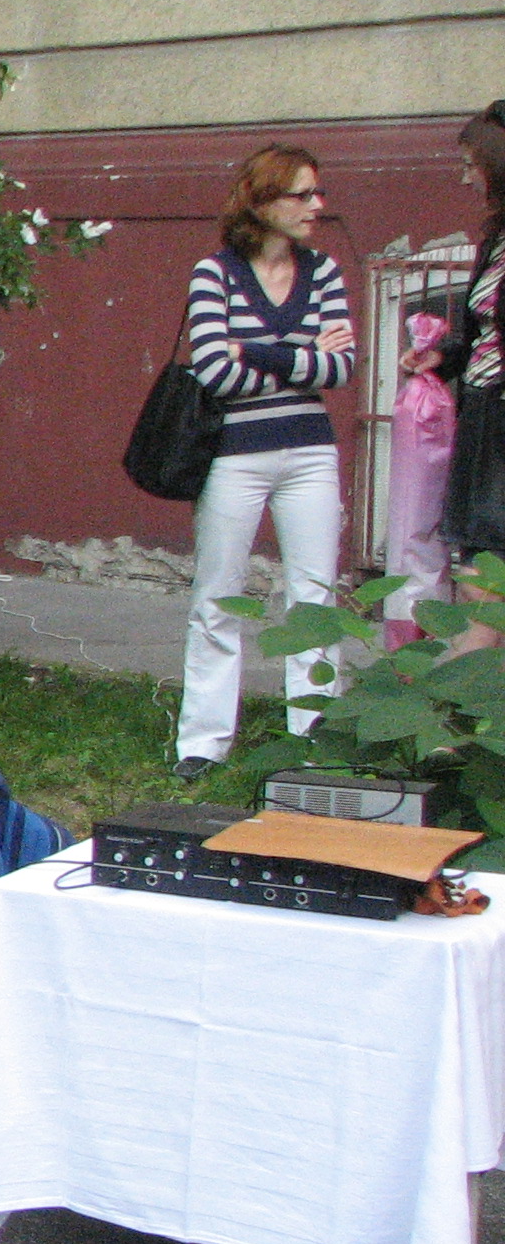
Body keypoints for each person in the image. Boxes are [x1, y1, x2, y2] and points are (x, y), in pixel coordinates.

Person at [168, 146, 355, 779]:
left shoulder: (323, 272)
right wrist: (302, 356)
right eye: (302, 195)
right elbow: (214, 374)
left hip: (311, 454)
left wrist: (256, 352)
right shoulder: (214, 273)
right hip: (234, 457)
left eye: (318, 193)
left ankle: (313, 736)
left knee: (315, 595)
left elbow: (341, 369)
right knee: (217, 595)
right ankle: (202, 743)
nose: (316, 206)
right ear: (263, 201)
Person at [429, 104, 505, 656]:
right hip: (484, 413)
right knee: (484, 565)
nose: (465, 178)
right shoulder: (496, 238)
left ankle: (459, 698)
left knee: (485, 574)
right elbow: (480, 330)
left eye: (470, 165)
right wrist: (442, 357)